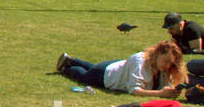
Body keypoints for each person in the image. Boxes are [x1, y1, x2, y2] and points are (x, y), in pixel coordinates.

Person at [56, 40, 188, 97]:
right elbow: (134, 90)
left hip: (118, 67)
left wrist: (169, 91)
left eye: (170, 64)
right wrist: (160, 94)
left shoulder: (164, 69)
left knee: (92, 68)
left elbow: (162, 86)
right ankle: (65, 68)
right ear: (158, 54)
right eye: (165, 61)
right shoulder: (140, 60)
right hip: (107, 75)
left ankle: (71, 59)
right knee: (84, 76)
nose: (167, 66)